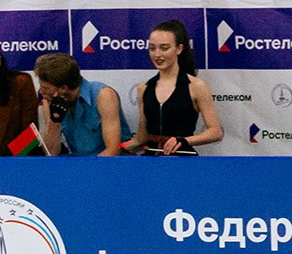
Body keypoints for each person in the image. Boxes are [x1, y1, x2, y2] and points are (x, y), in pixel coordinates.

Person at [127, 19, 223, 156]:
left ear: (179, 49)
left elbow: (215, 132)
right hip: (150, 162)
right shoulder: (144, 87)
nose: (157, 54)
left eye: (164, 48)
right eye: (152, 48)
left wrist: (184, 141)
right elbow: (143, 135)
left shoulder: (196, 86)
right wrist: (130, 145)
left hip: (182, 161)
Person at [32, 52, 127, 156]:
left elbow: (113, 150)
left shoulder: (104, 95)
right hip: (77, 162)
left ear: (63, 88)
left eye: (45, 88)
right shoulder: (49, 102)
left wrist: (86, 170)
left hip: (107, 164)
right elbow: (51, 153)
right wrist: (54, 121)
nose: (40, 92)